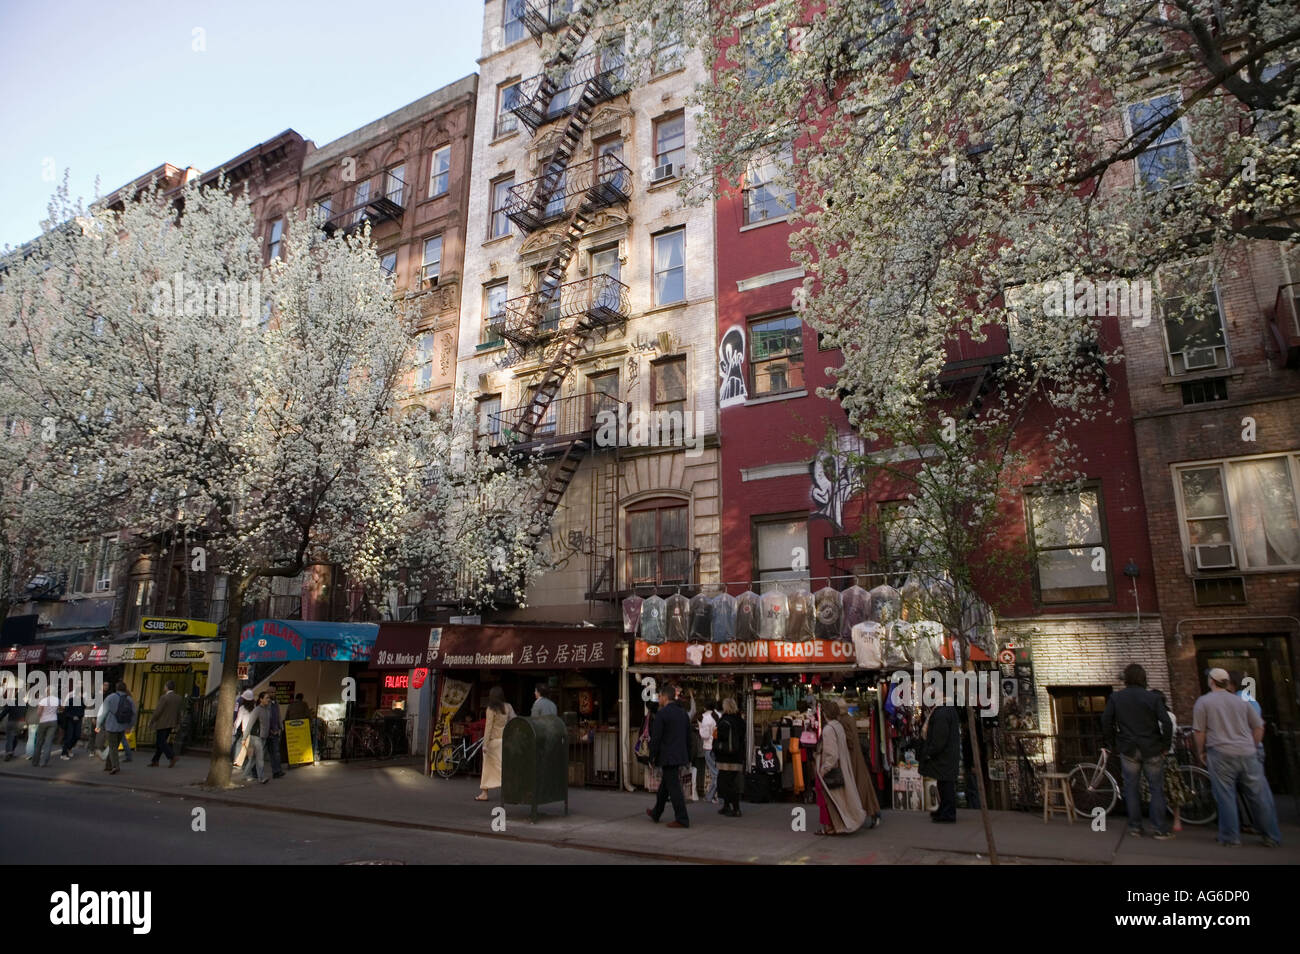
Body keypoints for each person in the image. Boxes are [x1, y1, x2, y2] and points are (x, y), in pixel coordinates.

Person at [1193, 668, 1281, 848]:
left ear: (1211, 681)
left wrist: (1200, 751)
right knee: (1259, 796)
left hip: (1220, 752)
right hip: (1247, 753)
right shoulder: (1241, 701)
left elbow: (1199, 731)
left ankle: (1230, 837)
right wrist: (1253, 746)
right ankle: (1271, 835)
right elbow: (1259, 727)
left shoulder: (1204, 702)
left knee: (1225, 796)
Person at [1101, 663, 1173, 839]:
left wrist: (1111, 742)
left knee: (1131, 788)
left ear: (1126, 678)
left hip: (1128, 748)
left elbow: (1105, 720)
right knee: (1156, 788)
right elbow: (1167, 723)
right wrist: (1165, 745)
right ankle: (1159, 829)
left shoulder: (1116, 698)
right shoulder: (1152, 698)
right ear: (1143, 678)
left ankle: (1135, 827)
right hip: (1152, 747)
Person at [815, 700, 866, 835]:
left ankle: (829, 827)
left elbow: (832, 754)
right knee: (840, 800)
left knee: (826, 799)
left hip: (832, 769)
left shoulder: (828, 730)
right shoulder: (838, 726)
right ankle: (838, 824)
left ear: (825, 714)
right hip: (842, 766)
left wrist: (823, 769)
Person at [646, 685, 691, 828]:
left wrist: (651, 756)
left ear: (665, 697)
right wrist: (688, 755)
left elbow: (656, 738)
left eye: (659, 696)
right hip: (679, 754)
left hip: (667, 755)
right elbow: (688, 737)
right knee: (665, 786)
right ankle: (656, 812)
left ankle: (682, 818)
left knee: (673, 787)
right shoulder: (683, 713)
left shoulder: (662, 714)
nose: (658, 699)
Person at [835, 701, 881, 828]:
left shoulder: (842, 721)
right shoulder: (849, 719)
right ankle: (874, 812)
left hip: (851, 758)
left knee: (857, 787)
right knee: (864, 785)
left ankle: (867, 814)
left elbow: (848, 740)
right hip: (857, 756)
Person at [920, 698, 960, 824]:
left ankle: (947, 813)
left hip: (944, 757)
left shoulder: (942, 713)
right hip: (946, 756)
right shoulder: (947, 710)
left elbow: (939, 738)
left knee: (946, 785)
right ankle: (944, 810)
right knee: (943, 784)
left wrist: (929, 752)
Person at [477, 686, 515, 801]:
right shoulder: (508, 707)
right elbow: (514, 721)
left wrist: (485, 744)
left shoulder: (491, 709)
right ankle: (507, 790)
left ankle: (484, 793)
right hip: (504, 741)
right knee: (503, 766)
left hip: (493, 742)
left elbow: (488, 728)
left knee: (488, 768)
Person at [715, 697, 746, 817]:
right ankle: (728, 806)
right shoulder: (740, 720)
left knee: (725, 782)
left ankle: (735, 807)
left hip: (725, 756)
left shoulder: (724, 720)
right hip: (737, 755)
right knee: (731, 781)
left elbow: (719, 737)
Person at [1228, 670, 1266, 767]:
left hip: (1246, 750)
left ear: (1232, 683)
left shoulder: (1238, 699)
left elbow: (1256, 726)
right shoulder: (1246, 696)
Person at [101, 682, 135, 775]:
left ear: (116, 688)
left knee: (112, 747)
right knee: (114, 747)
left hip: (111, 726)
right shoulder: (129, 699)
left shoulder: (110, 697)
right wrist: (130, 726)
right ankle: (108, 766)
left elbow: (103, 712)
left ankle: (115, 766)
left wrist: (99, 723)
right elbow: (133, 714)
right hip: (122, 727)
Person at [148, 680, 183, 768]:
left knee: (161, 742)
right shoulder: (178, 698)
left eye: (164, 686)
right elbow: (179, 712)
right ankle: (155, 760)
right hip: (171, 723)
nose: (164, 687)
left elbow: (158, 711)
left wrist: (152, 720)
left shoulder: (164, 698)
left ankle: (172, 756)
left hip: (162, 723)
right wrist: (178, 723)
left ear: (167, 687)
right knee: (161, 742)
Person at [239, 692, 271, 784]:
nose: (268, 700)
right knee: (260, 758)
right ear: (261, 699)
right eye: (266, 698)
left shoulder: (267, 709)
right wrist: (244, 738)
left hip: (264, 736)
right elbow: (250, 724)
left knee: (253, 758)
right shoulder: (257, 710)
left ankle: (245, 775)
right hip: (256, 737)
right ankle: (261, 777)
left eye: (268, 698)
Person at [31, 686, 60, 767]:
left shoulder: (44, 700)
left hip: (43, 721)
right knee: (48, 742)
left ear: (48, 691)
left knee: (39, 742)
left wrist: (41, 716)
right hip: (53, 721)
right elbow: (58, 709)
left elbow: (39, 712)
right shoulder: (57, 700)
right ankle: (44, 762)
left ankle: (35, 761)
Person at [699, 699, 719, 804]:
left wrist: (700, 727)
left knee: (715, 773)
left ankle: (711, 795)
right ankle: (712, 796)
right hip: (717, 747)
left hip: (709, 747)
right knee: (715, 771)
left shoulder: (706, 718)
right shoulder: (718, 715)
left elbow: (705, 735)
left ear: (705, 707)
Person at [232, 690, 255, 765]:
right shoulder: (254, 708)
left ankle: (238, 761)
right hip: (252, 730)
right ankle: (250, 761)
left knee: (240, 744)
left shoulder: (242, 708)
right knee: (249, 746)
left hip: (244, 729)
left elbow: (238, 720)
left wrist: (234, 729)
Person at [267, 693, 285, 778]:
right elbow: (267, 718)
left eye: (274, 692)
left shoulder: (276, 704)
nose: (273, 694)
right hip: (269, 732)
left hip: (276, 731)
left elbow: (278, 716)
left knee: (276, 752)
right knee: (271, 752)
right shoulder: (267, 704)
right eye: (271, 692)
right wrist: (270, 730)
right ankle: (276, 770)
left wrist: (280, 726)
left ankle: (277, 770)